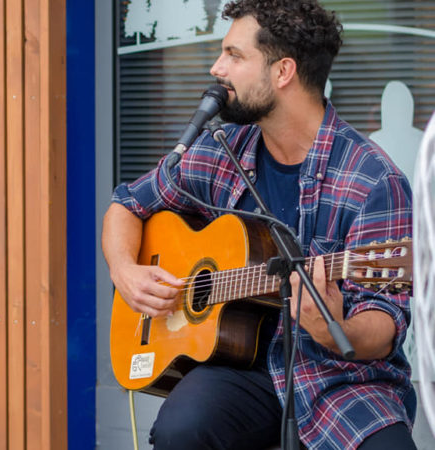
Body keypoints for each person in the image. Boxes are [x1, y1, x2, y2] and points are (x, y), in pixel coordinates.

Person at [102, 1, 416, 449]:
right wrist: (124, 271)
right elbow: (127, 205)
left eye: (234, 55)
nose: (217, 68)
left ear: (283, 71)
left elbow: (384, 325)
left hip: (342, 380)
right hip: (239, 370)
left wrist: (330, 327)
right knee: (180, 429)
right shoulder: (220, 150)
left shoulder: (372, 179)